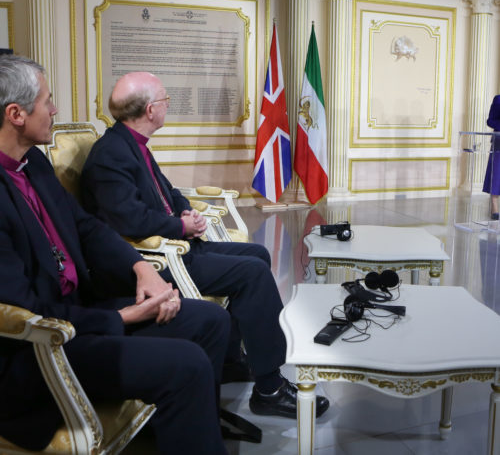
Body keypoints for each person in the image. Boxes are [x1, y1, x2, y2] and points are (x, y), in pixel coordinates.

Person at [0, 55, 231, 455]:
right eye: (48, 100)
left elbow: (86, 227)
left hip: (80, 309)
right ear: (16, 113)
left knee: (210, 319)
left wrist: (140, 267)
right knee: (187, 364)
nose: (55, 109)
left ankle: (186, 428)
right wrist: (122, 317)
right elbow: (24, 307)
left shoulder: (32, 161)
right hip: (38, 349)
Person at [81, 71, 330, 419]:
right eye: (166, 99)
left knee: (257, 253)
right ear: (151, 110)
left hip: (176, 244)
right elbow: (129, 220)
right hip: (154, 260)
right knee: (252, 274)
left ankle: (229, 362)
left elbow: (167, 191)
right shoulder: (110, 154)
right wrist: (179, 224)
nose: (168, 104)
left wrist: (185, 211)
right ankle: (270, 388)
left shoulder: (131, 144)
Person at [483, 95, 500, 220]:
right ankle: (494, 207)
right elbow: (490, 120)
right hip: (499, 143)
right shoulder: (498, 99)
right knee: (496, 176)